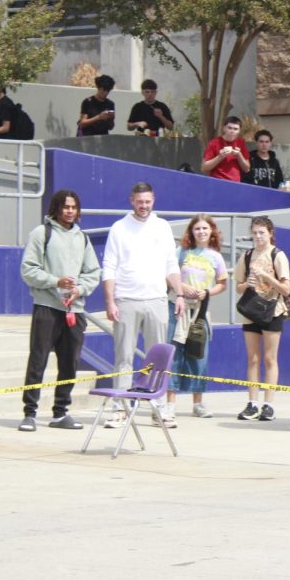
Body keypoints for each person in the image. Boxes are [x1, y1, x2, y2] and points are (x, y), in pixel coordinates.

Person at [17, 189, 101, 432]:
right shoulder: (41, 234)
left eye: (74, 207)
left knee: (69, 363)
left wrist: (80, 289)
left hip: (75, 310)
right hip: (47, 307)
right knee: (38, 360)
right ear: (56, 208)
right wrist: (55, 281)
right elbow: (28, 270)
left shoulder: (82, 238)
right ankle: (29, 413)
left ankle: (60, 411)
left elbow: (93, 272)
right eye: (66, 207)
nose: (70, 211)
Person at [102, 182, 185, 428]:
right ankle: (120, 409)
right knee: (124, 357)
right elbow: (109, 266)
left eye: (147, 201)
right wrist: (110, 301)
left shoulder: (162, 227)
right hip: (126, 300)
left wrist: (179, 294)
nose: (144, 206)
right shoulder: (119, 228)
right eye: (139, 201)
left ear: (153, 200)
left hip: (157, 300)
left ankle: (158, 409)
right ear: (131, 201)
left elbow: (171, 265)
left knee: (158, 359)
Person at [164, 215, 229, 424]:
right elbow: (169, 275)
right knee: (174, 355)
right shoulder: (181, 252)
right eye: (197, 228)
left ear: (211, 232)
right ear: (191, 232)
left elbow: (222, 283)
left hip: (200, 311)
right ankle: (170, 404)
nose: (201, 232)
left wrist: (207, 292)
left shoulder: (216, 257)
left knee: (198, 356)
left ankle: (198, 403)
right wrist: (182, 288)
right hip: (177, 307)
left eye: (205, 228)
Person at [234, 216, 290, 422]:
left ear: (270, 233)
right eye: (255, 232)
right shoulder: (247, 255)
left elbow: (285, 288)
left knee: (269, 358)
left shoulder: (278, 255)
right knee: (253, 359)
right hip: (251, 310)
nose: (258, 236)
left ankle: (268, 404)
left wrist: (266, 277)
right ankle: (252, 403)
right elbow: (238, 287)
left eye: (262, 232)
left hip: (272, 310)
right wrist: (247, 283)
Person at [201, 116, 251, 182]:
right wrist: (220, 157)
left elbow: (247, 169)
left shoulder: (241, 142)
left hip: (235, 183)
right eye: (229, 128)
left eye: (235, 129)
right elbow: (204, 168)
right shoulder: (214, 143)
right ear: (224, 128)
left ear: (239, 131)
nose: (232, 131)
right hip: (217, 181)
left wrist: (239, 155)